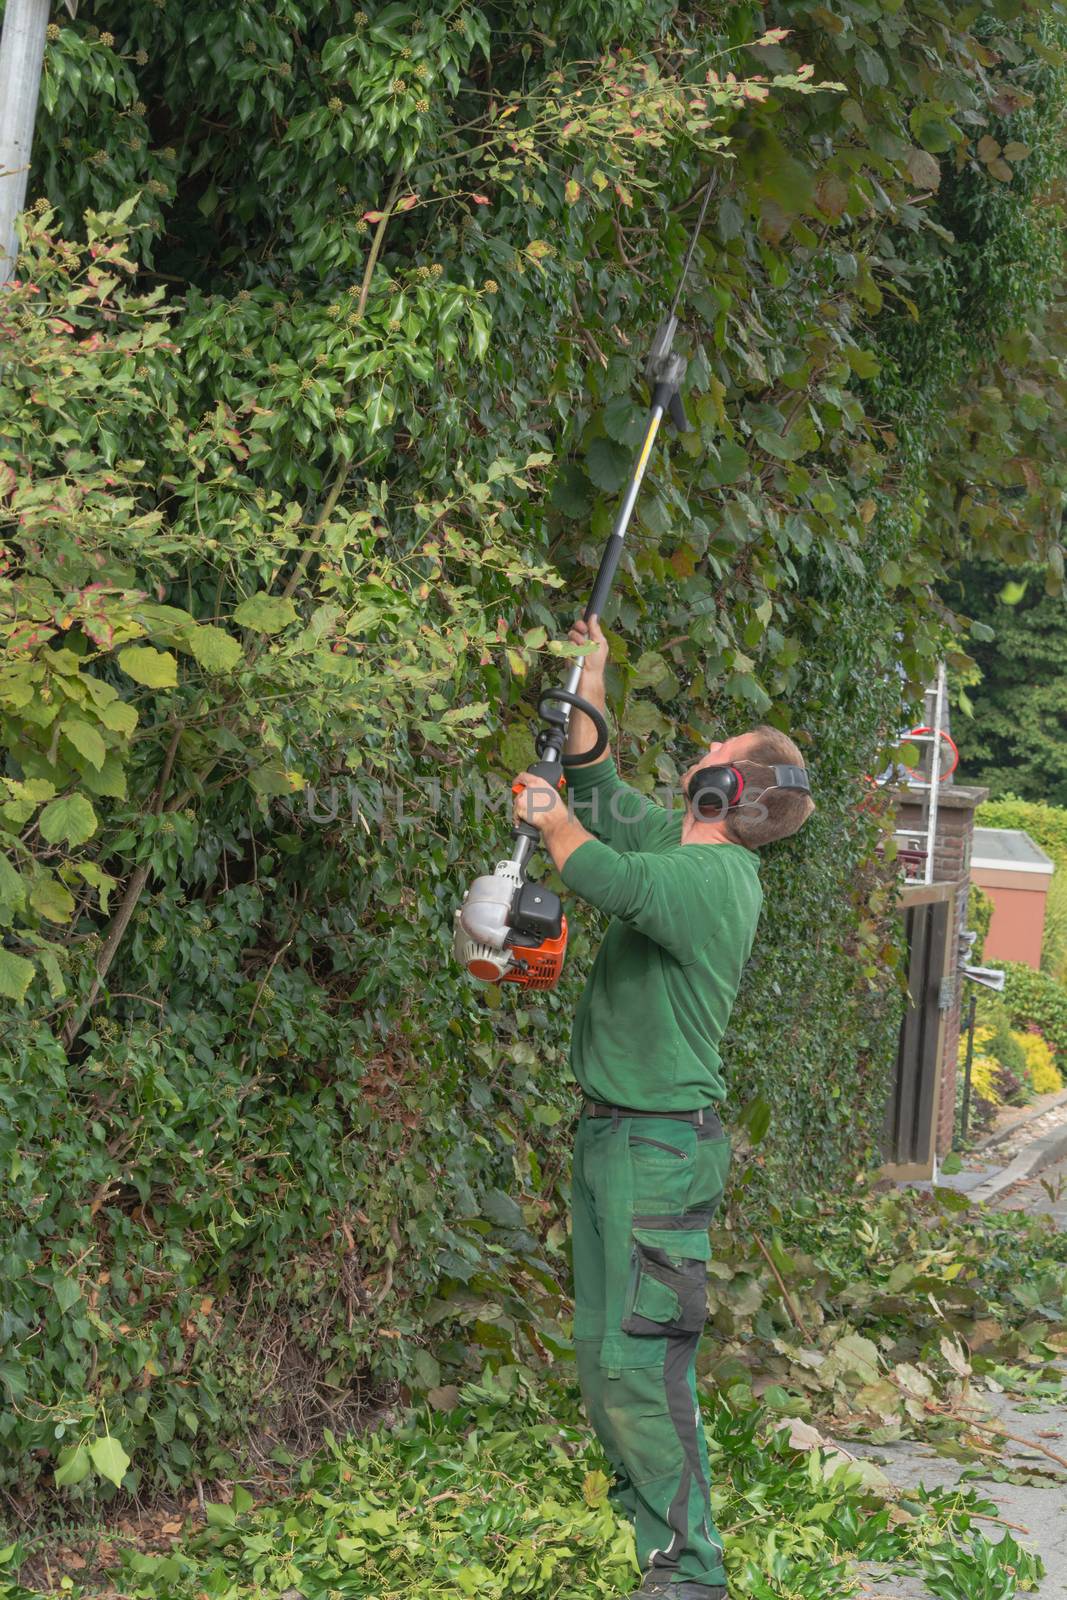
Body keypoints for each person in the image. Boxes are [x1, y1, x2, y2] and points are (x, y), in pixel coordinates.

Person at [511, 615, 815, 1600]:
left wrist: (551, 824)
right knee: (606, 1367)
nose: (699, 754)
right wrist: (588, 682)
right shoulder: (678, 841)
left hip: (657, 1150)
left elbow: (610, 872)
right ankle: (658, 1551)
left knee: (642, 1367)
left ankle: (693, 1575)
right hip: (614, 1134)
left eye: (713, 757)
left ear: (725, 790)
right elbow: (603, 795)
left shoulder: (714, 879)